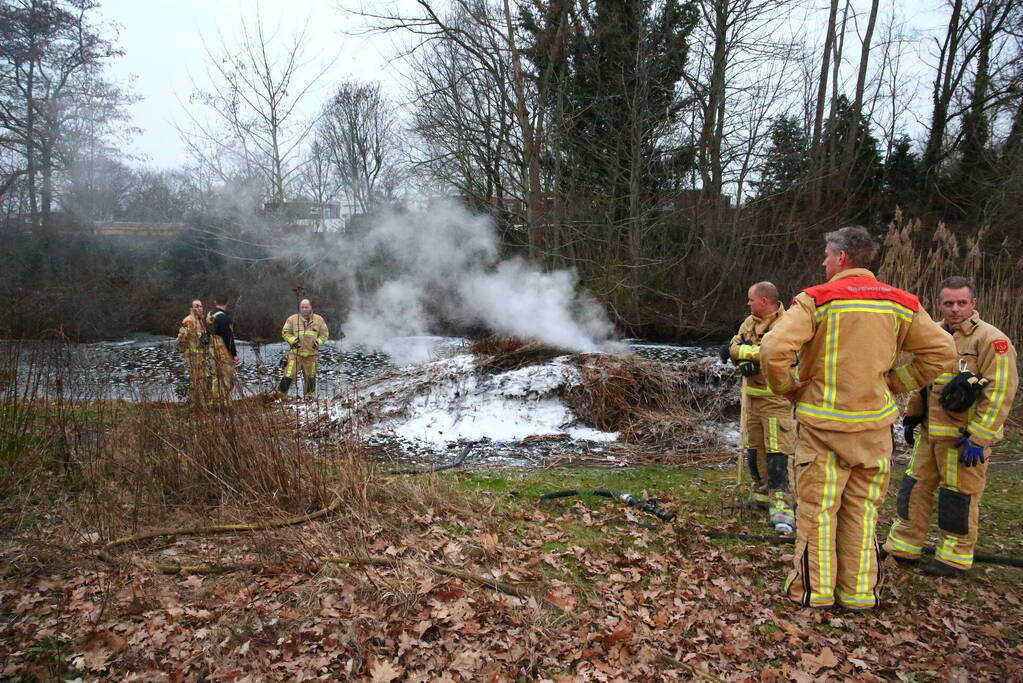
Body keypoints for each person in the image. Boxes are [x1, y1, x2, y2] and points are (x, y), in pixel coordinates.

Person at [760, 226, 955, 610]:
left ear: (842, 258)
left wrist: (788, 388)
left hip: (823, 428)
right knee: (863, 514)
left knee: (818, 513)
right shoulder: (901, 302)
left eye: (827, 255)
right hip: (874, 428)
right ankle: (859, 594)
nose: (823, 261)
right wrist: (894, 383)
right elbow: (942, 353)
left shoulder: (817, 299)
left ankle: (814, 592)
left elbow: (773, 349)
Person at [884, 276, 1018, 577]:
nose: (955, 309)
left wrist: (980, 437)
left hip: (963, 441)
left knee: (957, 497)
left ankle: (953, 557)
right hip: (931, 435)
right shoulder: (936, 335)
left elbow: (999, 394)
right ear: (938, 305)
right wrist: (913, 415)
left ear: (973, 303)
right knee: (913, 489)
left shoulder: (991, 341)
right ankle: (904, 545)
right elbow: (925, 379)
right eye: (948, 303)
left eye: (961, 303)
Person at [727, 281, 797, 534]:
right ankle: (762, 495)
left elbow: (774, 352)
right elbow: (733, 346)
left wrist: (746, 355)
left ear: (764, 301)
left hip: (777, 399)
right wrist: (745, 356)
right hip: (753, 399)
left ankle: (783, 507)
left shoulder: (787, 324)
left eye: (751, 299)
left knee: (778, 453)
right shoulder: (749, 322)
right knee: (754, 450)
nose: (748, 303)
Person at [275, 298, 328, 398]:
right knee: (288, 375)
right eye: (302, 307)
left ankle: (310, 397)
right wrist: (293, 340)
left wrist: (318, 342)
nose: (304, 309)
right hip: (295, 354)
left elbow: (324, 334)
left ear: (311, 307)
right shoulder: (292, 319)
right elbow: (285, 332)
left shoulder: (319, 320)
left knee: (310, 377)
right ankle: (279, 395)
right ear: (299, 308)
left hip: (312, 355)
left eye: (306, 307)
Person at [176, 299, 210, 404]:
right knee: (196, 379)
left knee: (203, 379)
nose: (199, 308)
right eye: (197, 306)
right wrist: (186, 351)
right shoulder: (189, 321)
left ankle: (200, 402)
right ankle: (196, 403)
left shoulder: (200, 320)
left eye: (201, 306)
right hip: (193, 355)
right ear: (192, 308)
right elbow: (181, 338)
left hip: (202, 355)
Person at [206, 294, 238, 405]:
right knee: (226, 375)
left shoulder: (210, 315)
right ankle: (225, 402)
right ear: (227, 303)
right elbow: (228, 338)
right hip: (222, 350)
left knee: (215, 376)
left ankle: (214, 401)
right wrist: (233, 354)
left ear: (215, 301)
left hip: (212, 348)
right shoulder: (224, 318)